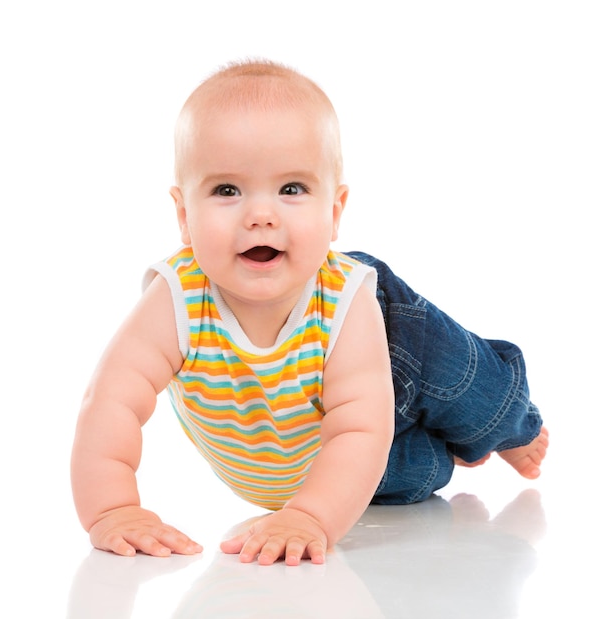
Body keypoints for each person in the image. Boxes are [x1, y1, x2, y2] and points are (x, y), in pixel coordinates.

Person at [71, 59, 548, 566]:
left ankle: (512, 427)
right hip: (321, 461)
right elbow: (111, 403)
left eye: (292, 189)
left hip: (390, 357)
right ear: (184, 216)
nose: (261, 214)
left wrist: (311, 519)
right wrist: (113, 509)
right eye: (227, 190)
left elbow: (361, 423)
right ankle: (455, 449)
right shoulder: (177, 300)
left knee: (471, 390)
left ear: (335, 211)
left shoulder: (347, 298)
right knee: (415, 476)